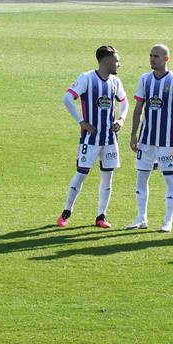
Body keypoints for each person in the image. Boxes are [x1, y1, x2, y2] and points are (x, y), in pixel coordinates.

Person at [58, 44, 127, 229]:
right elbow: (67, 98)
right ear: (106, 61)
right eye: (117, 60)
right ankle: (66, 212)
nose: (119, 64)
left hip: (110, 139)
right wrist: (81, 121)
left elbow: (125, 101)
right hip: (90, 138)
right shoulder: (87, 78)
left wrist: (121, 118)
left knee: (107, 177)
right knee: (81, 174)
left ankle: (101, 216)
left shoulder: (115, 82)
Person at [126, 43, 173, 232]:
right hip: (146, 140)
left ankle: (168, 221)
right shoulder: (144, 80)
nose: (152, 59)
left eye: (157, 56)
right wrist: (133, 135)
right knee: (141, 178)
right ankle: (141, 218)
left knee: (170, 179)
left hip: (166, 142)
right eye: (151, 55)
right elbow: (138, 109)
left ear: (166, 59)